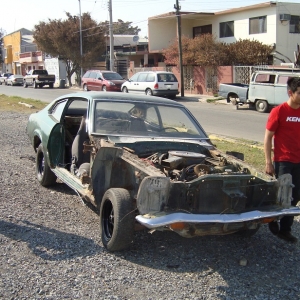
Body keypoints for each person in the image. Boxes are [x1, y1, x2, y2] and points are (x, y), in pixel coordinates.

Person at [264, 76, 300, 243]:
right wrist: (268, 163)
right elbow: (268, 138)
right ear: (290, 93)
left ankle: (285, 230)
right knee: (280, 195)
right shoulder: (278, 111)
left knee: (295, 197)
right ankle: (272, 220)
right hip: (284, 161)